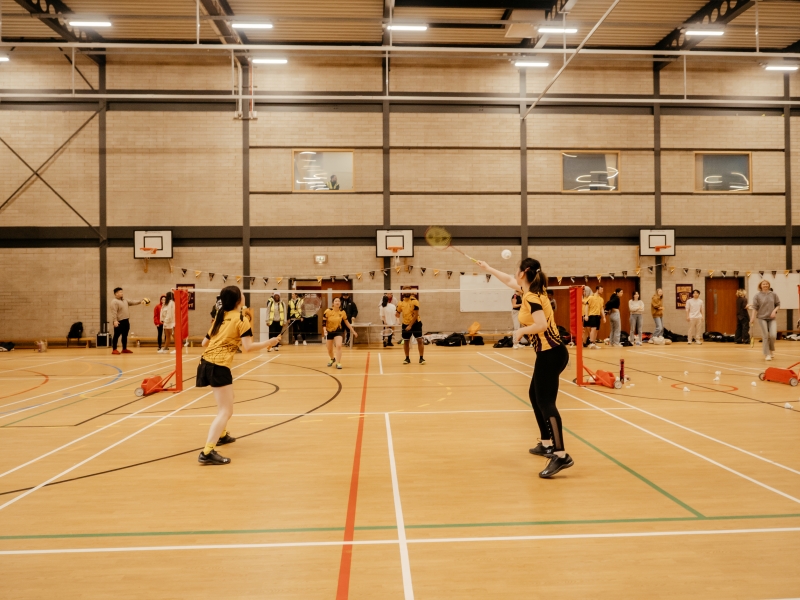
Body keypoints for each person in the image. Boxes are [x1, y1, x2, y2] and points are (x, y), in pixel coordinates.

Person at [477, 257, 572, 478]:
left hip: (552, 353)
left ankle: (560, 454)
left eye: (517, 270)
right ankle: (547, 443)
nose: (514, 273)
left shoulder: (530, 297)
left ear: (524, 273)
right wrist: (488, 268)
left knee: (546, 403)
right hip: (550, 353)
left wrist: (520, 332)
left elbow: (541, 325)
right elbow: (509, 280)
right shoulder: (532, 290)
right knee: (534, 395)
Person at [197, 286, 280, 465]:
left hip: (205, 363)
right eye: (241, 294)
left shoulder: (220, 317)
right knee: (226, 411)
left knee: (229, 399)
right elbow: (247, 348)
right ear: (237, 300)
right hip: (218, 366)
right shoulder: (242, 319)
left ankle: (222, 435)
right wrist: (269, 342)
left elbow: (204, 343)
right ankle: (207, 451)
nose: (244, 295)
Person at [110, 287, 147, 355]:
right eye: (120, 292)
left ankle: (124, 349)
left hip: (126, 320)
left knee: (125, 335)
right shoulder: (114, 302)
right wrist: (115, 321)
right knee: (116, 335)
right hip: (119, 321)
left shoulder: (125, 300)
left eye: (122, 292)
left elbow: (132, 302)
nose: (122, 293)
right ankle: (114, 349)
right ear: (116, 294)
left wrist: (140, 301)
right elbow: (114, 312)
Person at [323, 297, 357, 369]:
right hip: (329, 331)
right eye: (335, 301)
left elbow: (347, 322)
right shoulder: (328, 311)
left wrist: (353, 331)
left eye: (338, 301)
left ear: (340, 303)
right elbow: (323, 323)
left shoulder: (342, 312)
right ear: (333, 303)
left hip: (338, 331)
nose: (337, 302)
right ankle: (332, 358)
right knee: (329, 349)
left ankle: (338, 363)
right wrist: (324, 330)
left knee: (338, 345)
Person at [750, 280, 780, 360]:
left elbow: (778, 304)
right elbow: (754, 308)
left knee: (773, 335)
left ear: (769, 285)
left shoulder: (773, 294)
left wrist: (774, 311)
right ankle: (767, 354)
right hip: (761, 317)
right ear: (761, 286)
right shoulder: (757, 296)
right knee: (765, 335)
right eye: (764, 284)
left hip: (772, 318)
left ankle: (771, 350)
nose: (765, 285)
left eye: (767, 284)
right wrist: (752, 317)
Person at [396, 292, 425, 365]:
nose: (407, 293)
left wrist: (410, 326)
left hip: (416, 323)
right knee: (406, 341)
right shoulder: (400, 303)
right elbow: (398, 313)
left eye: (408, 291)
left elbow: (416, 315)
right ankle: (407, 358)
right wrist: (397, 317)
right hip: (405, 323)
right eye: (405, 291)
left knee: (420, 340)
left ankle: (421, 358)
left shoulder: (414, 301)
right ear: (403, 293)